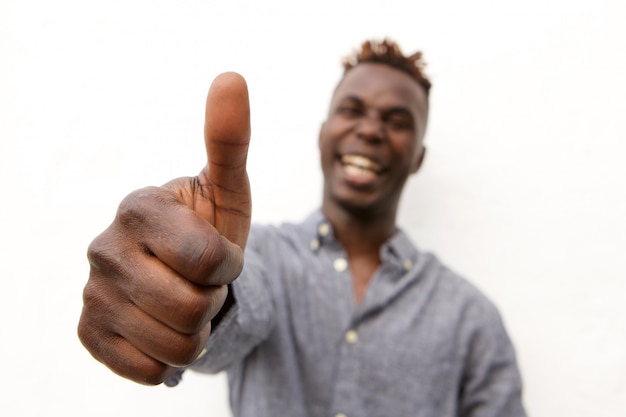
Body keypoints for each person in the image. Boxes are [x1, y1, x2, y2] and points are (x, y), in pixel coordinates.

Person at [78, 39, 527, 417]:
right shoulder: (264, 257)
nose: (370, 130)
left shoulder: (472, 318)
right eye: (352, 110)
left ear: (418, 158)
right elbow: (237, 303)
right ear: (322, 134)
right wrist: (187, 280)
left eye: (396, 121)